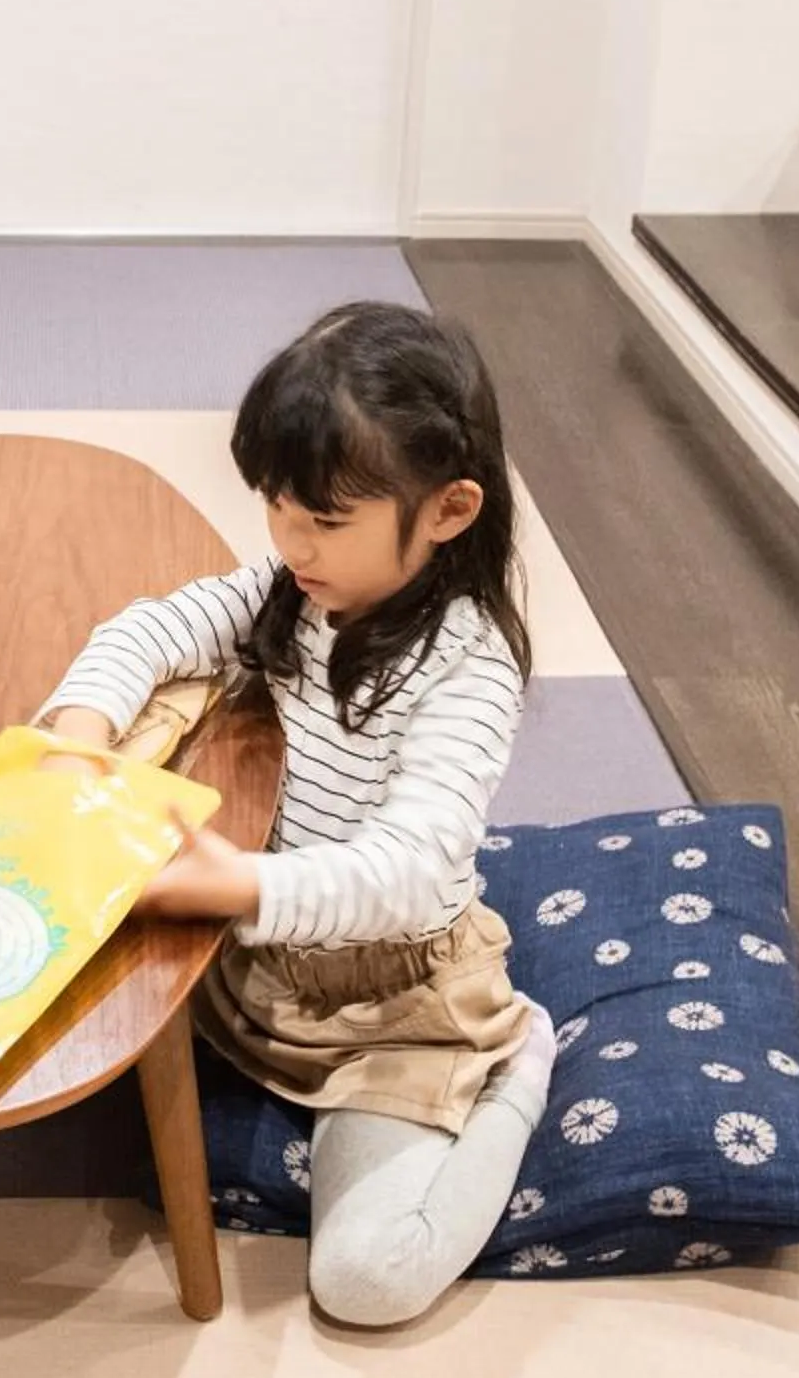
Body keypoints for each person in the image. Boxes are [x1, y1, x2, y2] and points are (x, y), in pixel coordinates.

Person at [40, 301, 547, 1326]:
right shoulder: (298, 585)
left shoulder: (469, 668)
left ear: (448, 511)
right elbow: (156, 624)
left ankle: (522, 1061)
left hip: (396, 1010)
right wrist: (79, 728)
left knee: (363, 1281)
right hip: (256, 968)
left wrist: (238, 884)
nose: (289, 542)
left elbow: (408, 867)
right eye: (276, 506)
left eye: (322, 520)